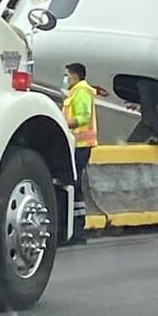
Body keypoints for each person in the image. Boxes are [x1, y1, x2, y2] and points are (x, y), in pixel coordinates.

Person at [62, 62, 97, 244]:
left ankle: (77, 229)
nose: (66, 78)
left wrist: (62, 122)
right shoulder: (74, 92)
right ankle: (74, 228)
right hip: (76, 145)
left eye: (67, 75)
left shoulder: (81, 91)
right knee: (73, 185)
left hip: (81, 145)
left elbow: (84, 117)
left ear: (75, 76)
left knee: (74, 186)